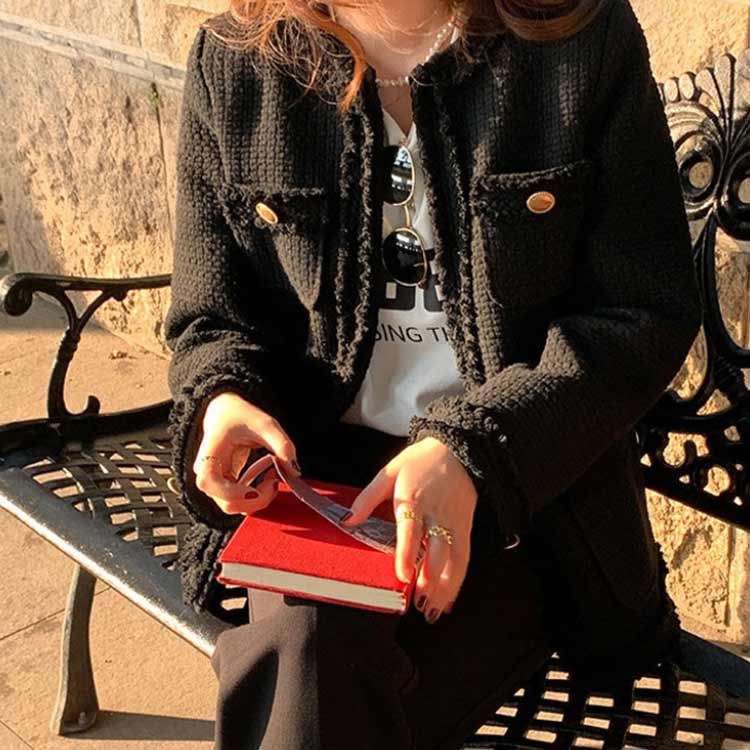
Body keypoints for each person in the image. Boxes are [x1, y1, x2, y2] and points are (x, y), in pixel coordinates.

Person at [163, 0, 703, 747]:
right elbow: (211, 317)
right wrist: (222, 400)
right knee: (308, 651)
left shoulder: (577, 36)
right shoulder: (239, 59)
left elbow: (642, 312)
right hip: (319, 497)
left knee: (315, 692)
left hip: (526, 501)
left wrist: (473, 451)